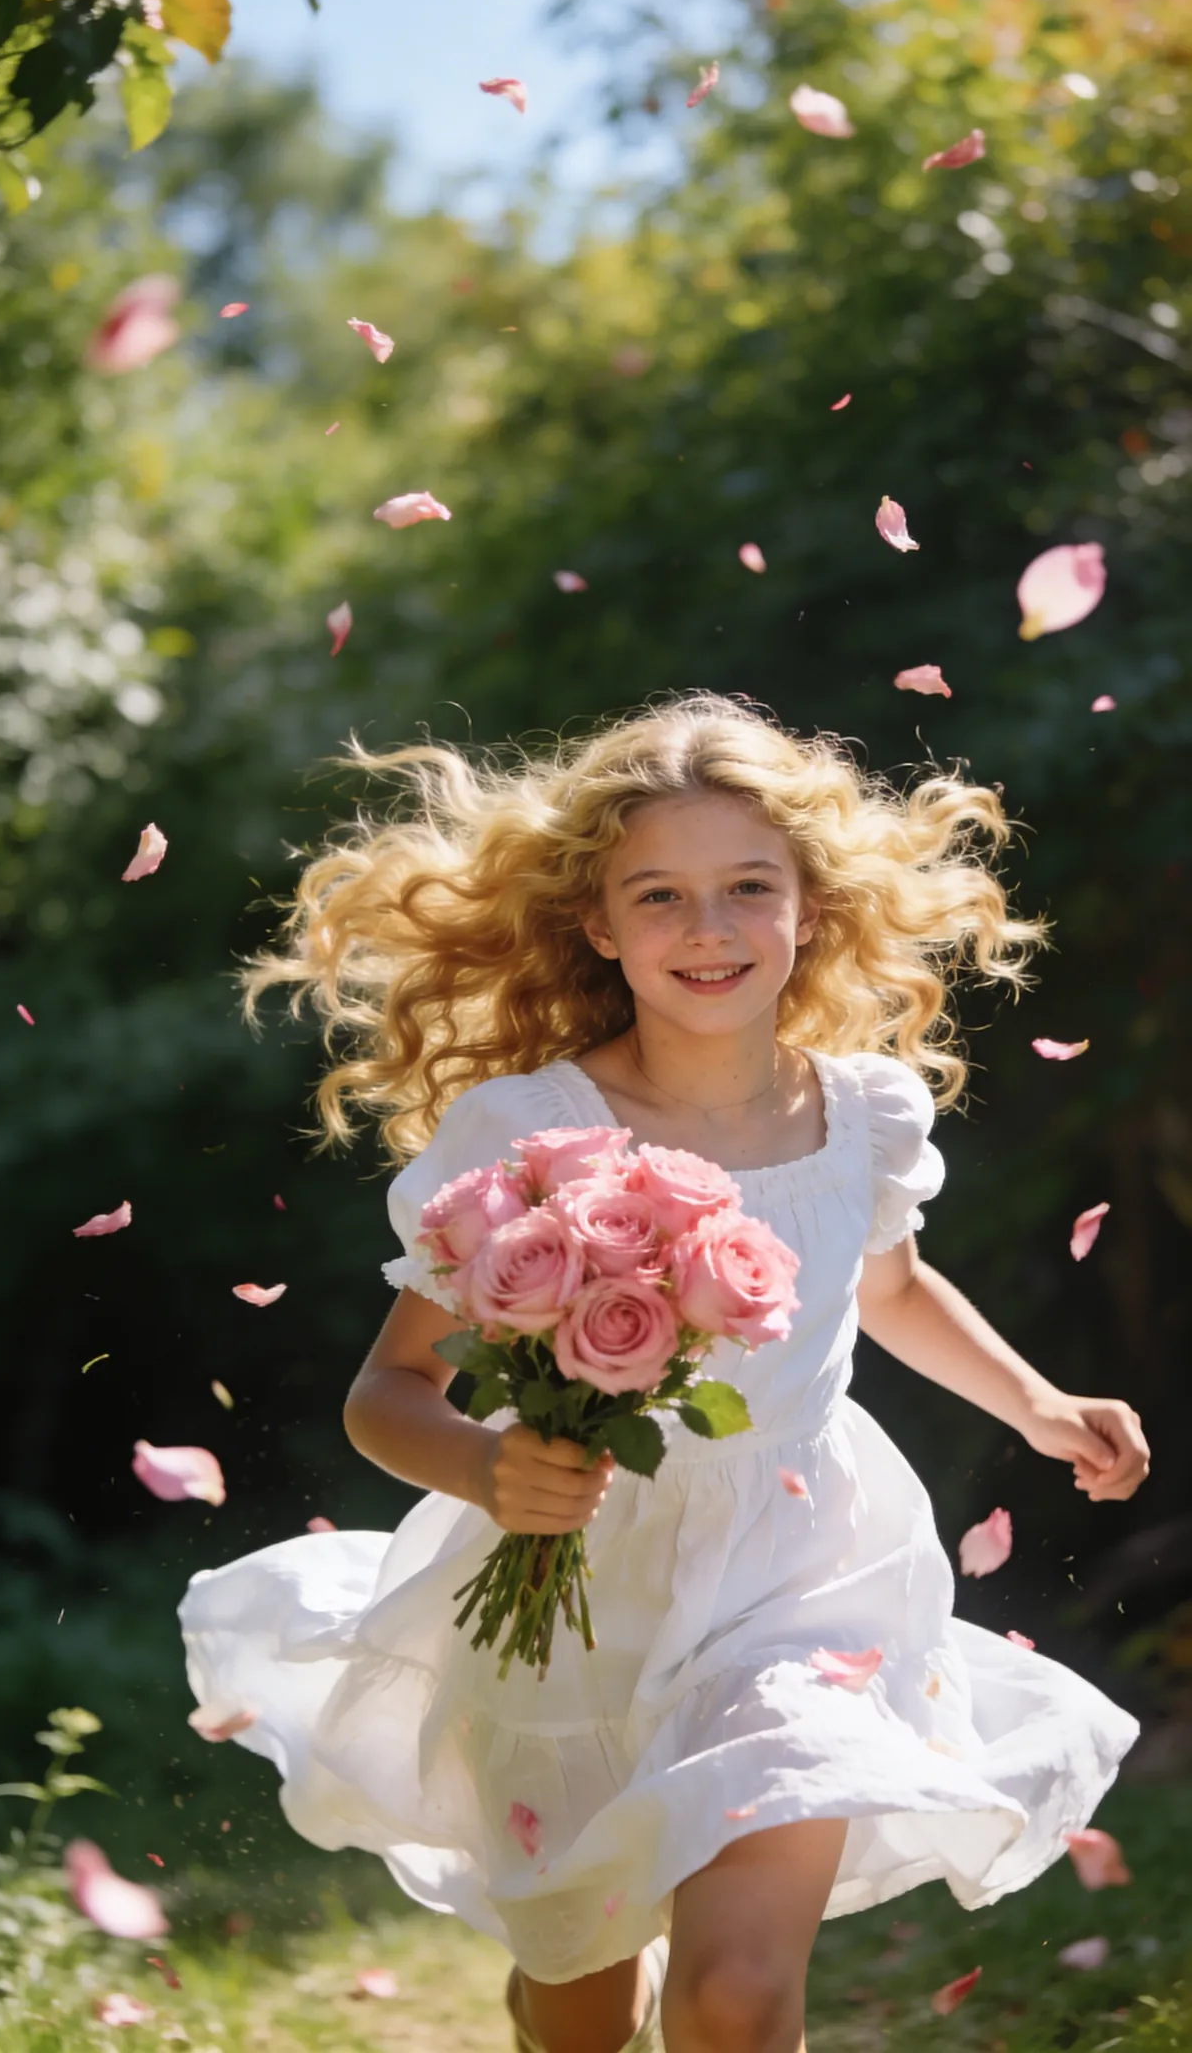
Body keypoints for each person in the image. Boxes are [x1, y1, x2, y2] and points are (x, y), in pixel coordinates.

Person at [179, 693, 1150, 2053]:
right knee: (576, 2008)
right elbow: (387, 1395)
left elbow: (885, 1285)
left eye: (748, 887)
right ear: (597, 924)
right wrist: (485, 1467)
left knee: (733, 2001)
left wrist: (1037, 1403)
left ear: (807, 905)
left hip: (804, 1575)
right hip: (574, 1593)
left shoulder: (862, 1111)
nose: (708, 930)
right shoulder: (529, 1132)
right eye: (661, 895)